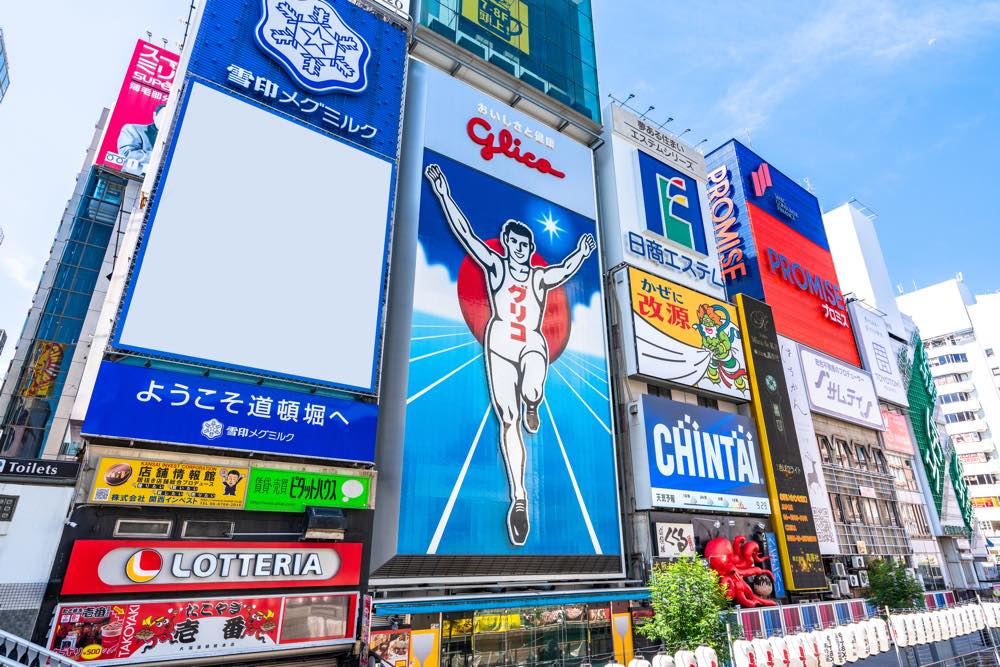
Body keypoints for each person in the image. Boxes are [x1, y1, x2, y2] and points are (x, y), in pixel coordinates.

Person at [424, 163, 596, 546]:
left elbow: (564, 270)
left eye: (524, 245)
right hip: (499, 340)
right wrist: (442, 193)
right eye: (513, 244)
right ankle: (519, 498)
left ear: (530, 249)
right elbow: (465, 233)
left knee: (533, 383)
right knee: (507, 419)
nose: (518, 249)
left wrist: (582, 254)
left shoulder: (537, 277)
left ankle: (533, 399)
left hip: (530, 340)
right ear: (507, 244)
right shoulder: (496, 267)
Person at [117, 103, 167, 176]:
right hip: (136, 179)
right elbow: (127, 154)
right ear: (155, 115)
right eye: (164, 115)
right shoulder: (132, 129)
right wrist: (159, 157)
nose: (166, 120)